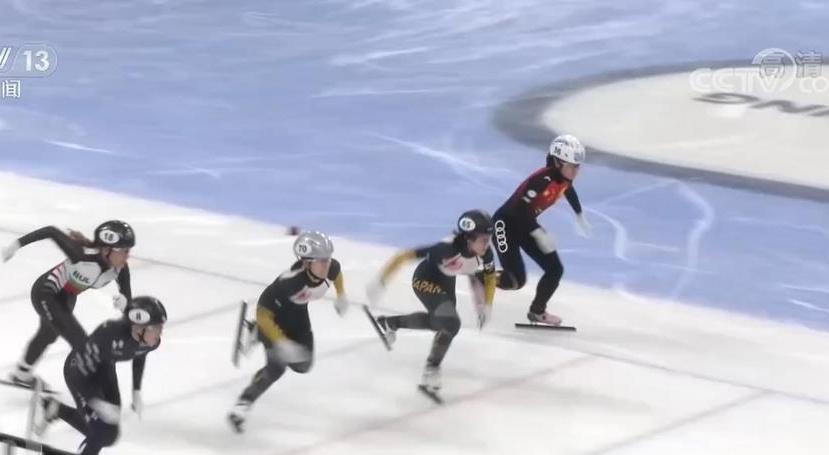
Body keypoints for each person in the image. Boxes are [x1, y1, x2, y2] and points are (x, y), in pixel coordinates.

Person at [34, 296, 166, 455]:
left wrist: (136, 390)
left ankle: (55, 409)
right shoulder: (109, 333)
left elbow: (140, 352)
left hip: (104, 367)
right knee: (100, 431)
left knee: (109, 435)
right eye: (156, 328)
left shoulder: (151, 340)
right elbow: (79, 374)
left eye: (161, 327)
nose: (160, 333)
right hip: (79, 371)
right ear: (139, 327)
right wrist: (95, 401)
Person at [366, 210, 496, 401]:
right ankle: (431, 369)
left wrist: (486, 306)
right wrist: (381, 280)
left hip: (446, 280)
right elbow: (403, 256)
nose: (488, 244)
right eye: (484, 239)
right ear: (469, 238)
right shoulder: (445, 249)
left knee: (441, 324)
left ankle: (390, 323)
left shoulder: (485, 253)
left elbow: (487, 277)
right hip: (425, 280)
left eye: (489, 239)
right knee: (451, 324)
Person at [228, 231, 349, 433]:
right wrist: (280, 341)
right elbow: (264, 313)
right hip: (271, 317)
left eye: (328, 259)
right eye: (321, 261)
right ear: (307, 262)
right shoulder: (290, 283)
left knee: (303, 365)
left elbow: (336, 272)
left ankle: (256, 332)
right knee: (276, 369)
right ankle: (244, 403)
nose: (327, 264)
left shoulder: (331, 268)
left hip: (297, 315)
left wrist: (341, 294)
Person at [0, 220, 135, 388]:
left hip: (68, 298)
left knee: (47, 335)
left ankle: (21, 374)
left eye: (128, 251)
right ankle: (90, 391)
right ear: (106, 249)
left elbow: (128, 302)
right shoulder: (81, 255)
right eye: (123, 251)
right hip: (46, 292)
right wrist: (15, 245)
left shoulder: (120, 269)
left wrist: (125, 304)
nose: (127, 257)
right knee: (81, 342)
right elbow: (50, 231)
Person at [491, 134, 590, 326]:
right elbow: (517, 211)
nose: (576, 171)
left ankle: (537, 311)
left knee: (555, 270)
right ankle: (481, 276)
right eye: (572, 166)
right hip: (504, 225)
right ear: (558, 162)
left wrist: (579, 213)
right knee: (515, 280)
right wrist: (538, 232)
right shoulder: (541, 180)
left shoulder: (564, 177)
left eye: (578, 166)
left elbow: (568, 189)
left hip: (524, 224)